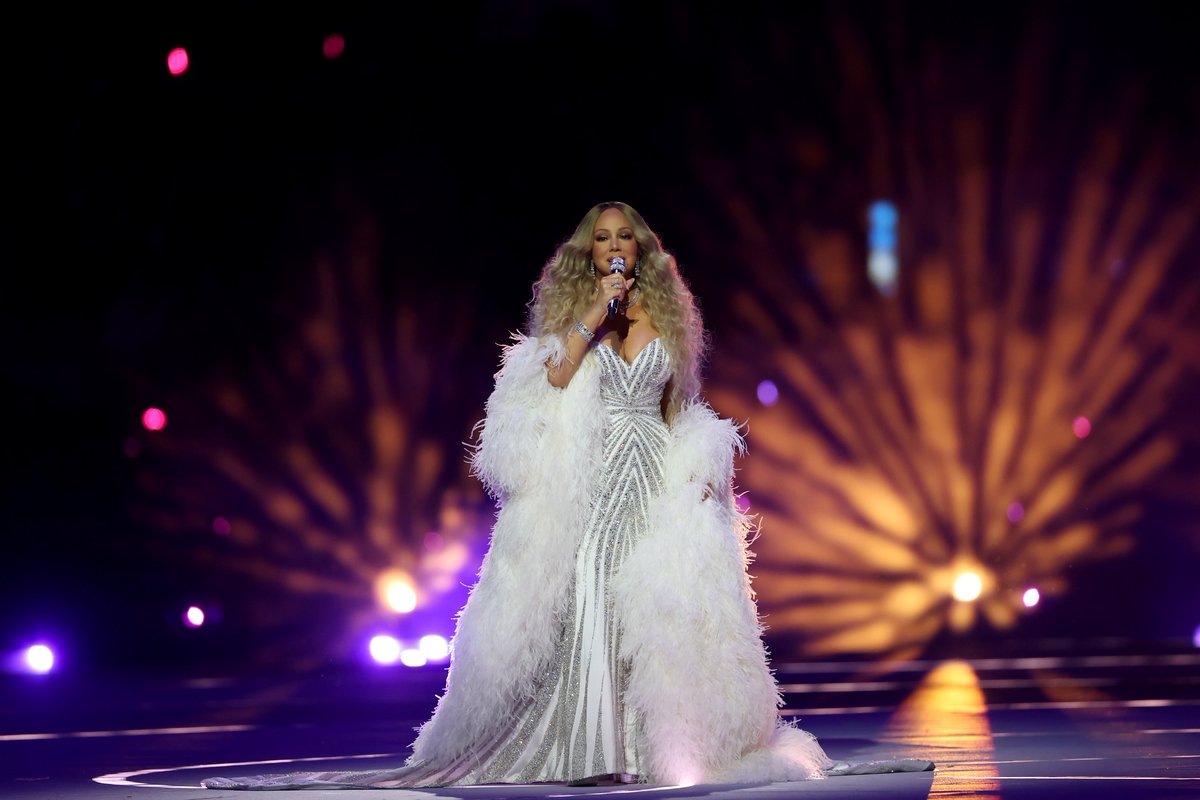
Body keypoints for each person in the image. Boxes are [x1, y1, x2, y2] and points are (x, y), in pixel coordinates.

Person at [202, 202, 931, 790]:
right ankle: (584, 745)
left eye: (624, 237)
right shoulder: (578, 317)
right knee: (589, 587)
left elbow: (678, 408)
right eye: (602, 238)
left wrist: (701, 466)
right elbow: (553, 377)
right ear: (590, 252)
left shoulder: (668, 320)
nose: (614, 247)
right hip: (594, 476)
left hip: (653, 478)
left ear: (642, 249)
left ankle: (644, 745)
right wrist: (596, 314)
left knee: (648, 608)